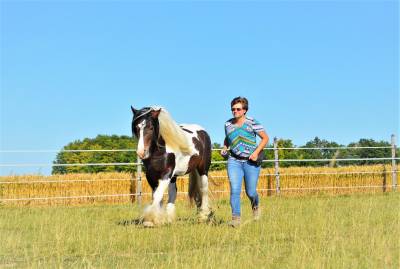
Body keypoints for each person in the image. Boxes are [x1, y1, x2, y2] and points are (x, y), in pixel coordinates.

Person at [221, 96, 269, 227]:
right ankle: (236, 219)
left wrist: (256, 152)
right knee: (235, 189)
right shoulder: (227, 124)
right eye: (233, 109)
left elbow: (265, 138)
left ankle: (256, 207)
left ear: (245, 110)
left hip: (250, 162)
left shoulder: (252, 122)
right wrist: (225, 147)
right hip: (234, 161)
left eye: (238, 109)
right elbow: (227, 138)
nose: (234, 111)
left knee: (251, 192)